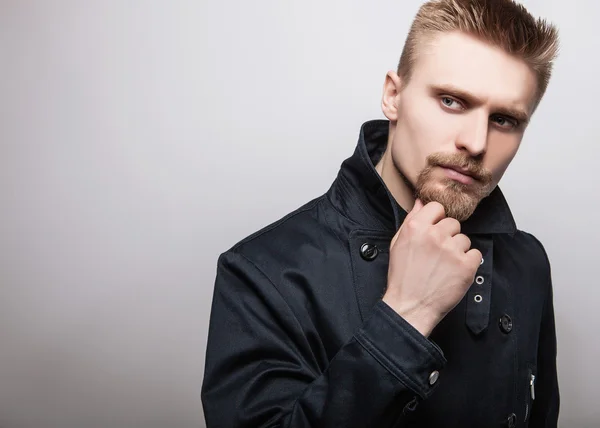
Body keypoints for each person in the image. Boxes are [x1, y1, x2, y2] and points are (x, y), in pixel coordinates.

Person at [201, 0, 560, 426]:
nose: (477, 143)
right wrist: (407, 314)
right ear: (393, 96)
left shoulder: (527, 262)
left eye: (504, 120)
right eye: (451, 101)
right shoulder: (262, 272)